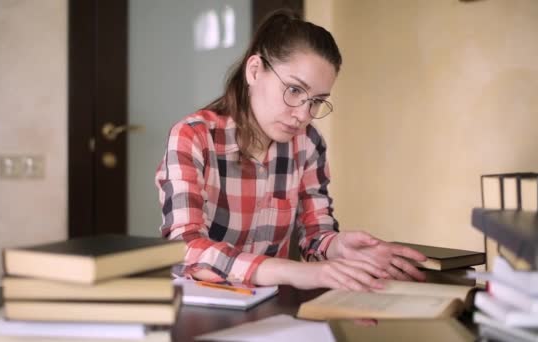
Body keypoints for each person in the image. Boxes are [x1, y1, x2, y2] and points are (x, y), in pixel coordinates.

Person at [155, 10, 427, 291]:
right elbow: (184, 248)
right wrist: (293, 271)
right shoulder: (193, 135)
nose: (303, 114)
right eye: (295, 90)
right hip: (200, 304)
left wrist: (339, 247)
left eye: (317, 101)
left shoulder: (308, 143)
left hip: (268, 305)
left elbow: (315, 236)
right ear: (254, 71)